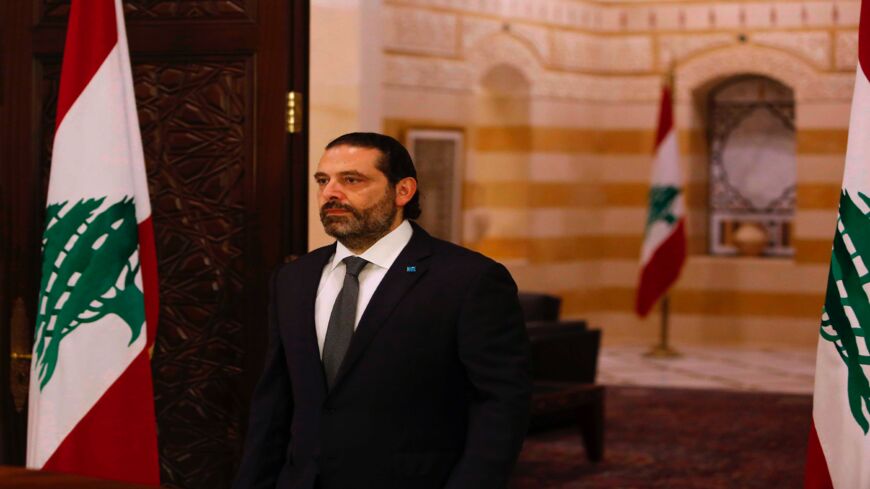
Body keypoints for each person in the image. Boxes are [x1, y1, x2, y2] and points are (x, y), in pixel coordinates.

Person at [233, 132, 531, 489]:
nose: (331, 193)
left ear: (403, 191)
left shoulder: (468, 279)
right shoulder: (293, 279)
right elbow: (275, 402)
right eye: (323, 181)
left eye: (352, 180)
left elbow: (501, 404)